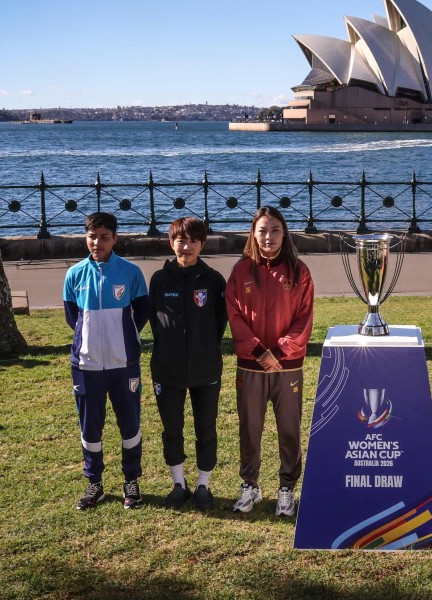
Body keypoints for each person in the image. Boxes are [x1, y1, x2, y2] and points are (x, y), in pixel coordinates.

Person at [225, 206, 314, 517]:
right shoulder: (240, 271)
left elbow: (304, 317)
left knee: (289, 428)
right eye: (262, 230)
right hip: (251, 365)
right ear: (254, 234)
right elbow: (234, 315)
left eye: (275, 230)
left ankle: (287, 487)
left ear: (284, 233)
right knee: (250, 429)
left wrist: (278, 351)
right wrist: (257, 350)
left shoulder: (299, 271)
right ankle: (250, 484)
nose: (268, 236)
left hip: (286, 366)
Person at [64, 212, 150, 510]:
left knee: (130, 423)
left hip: (123, 364)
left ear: (115, 238)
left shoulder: (130, 272)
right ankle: (94, 484)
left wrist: (123, 338)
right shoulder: (74, 274)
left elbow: (140, 311)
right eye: (92, 236)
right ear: (85, 238)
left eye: (104, 237)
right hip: (86, 366)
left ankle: (131, 482)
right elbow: (72, 317)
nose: (97, 242)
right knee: (90, 426)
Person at [148, 217, 228, 510]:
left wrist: (202, 348)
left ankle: (203, 483)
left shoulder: (213, 280)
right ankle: (178, 483)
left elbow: (220, 322)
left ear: (202, 244)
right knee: (172, 429)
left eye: (194, 240)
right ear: (172, 243)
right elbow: (157, 323)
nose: (187, 245)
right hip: (167, 370)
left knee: (206, 428)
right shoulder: (159, 279)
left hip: (205, 369)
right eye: (181, 240)